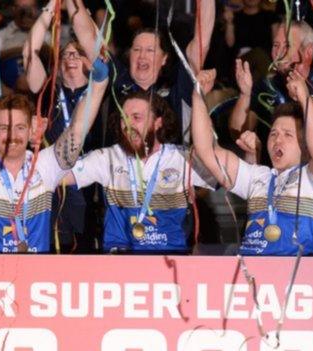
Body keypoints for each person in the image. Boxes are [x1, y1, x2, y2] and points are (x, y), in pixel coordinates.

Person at [0, 56, 109, 253]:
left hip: (33, 278)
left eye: (20, 127)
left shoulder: (44, 167)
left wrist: (98, 84)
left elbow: (77, 129)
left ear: (31, 130)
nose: (12, 136)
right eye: (3, 128)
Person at [191, 69, 313, 256]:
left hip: (297, 276)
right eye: (273, 134)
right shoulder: (258, 176)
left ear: (305, 143)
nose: (277, 140)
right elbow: (206, 151)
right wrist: (198, 97)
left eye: (287, 135)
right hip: (251, 275)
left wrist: (305, 98)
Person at [63, 91, 213, 253]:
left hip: (169, 259)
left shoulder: (181, 158)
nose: (128, 125)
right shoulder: (108, 158)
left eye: (136, 117)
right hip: (120, 261)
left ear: (158, 122)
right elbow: (57, 175)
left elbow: (225, 175)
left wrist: (201, 100)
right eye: (123, 118)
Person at [22, 0, 102, 251]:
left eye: (79, 53)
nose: (71, 57)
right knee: (51, 244)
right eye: (66, 53)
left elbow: (100, 50)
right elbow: (29, 53)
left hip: (88, 184)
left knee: (85, 248)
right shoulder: (48, 91)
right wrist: (50, 8)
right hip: (52, 182)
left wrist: (81, 14)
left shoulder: (99, 92)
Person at [109, 0, 214, 141]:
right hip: (120, 160)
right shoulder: (117, 78)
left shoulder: (177, 85)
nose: (142, 56)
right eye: (137, 49)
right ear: (129, 55)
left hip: (171, 161)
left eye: (150, 50)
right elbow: (89, 37)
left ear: (164, 58)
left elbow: (202, 42)